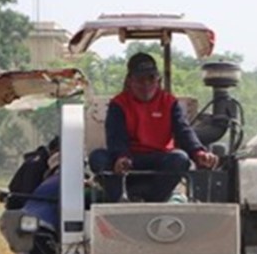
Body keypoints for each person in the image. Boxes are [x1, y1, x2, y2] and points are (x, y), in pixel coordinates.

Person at [89, 52, 218, 202]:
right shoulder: (119, 104)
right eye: (140, 79)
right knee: (98, 158)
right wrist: (121, 156)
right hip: (129, 160)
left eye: (151, 78)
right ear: (130, 80)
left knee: (180, 159)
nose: (146, 85)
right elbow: (116, 136)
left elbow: (183, 131)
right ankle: (118, 200)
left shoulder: (169, 103)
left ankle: (154, 200)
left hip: (160, 159)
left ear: (158, 80)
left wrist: (198, 152)